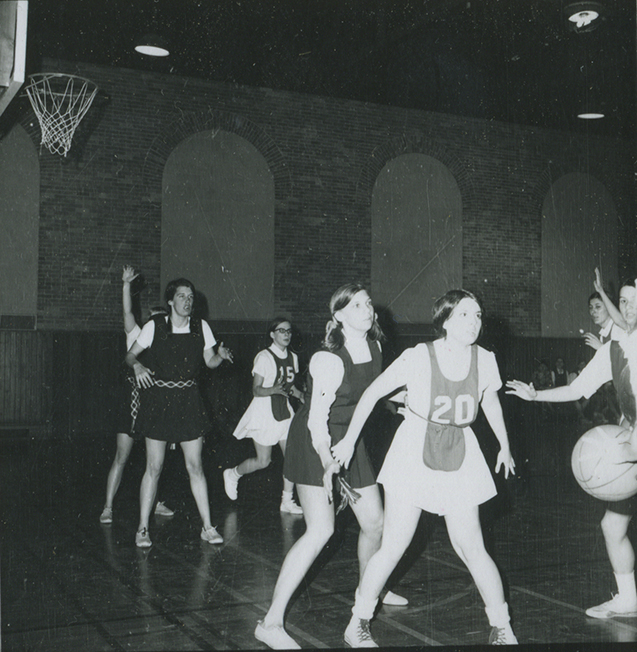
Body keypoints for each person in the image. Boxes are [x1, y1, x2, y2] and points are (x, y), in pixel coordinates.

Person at [333, 289, 517, 647]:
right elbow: (372, 393)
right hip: (415, 449)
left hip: (461, 448)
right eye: (464, 314)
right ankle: (357, 622)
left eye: (478, 315)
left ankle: (502, 626)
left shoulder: (485, 359)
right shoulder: (419, 356)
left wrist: (505, 444)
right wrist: (349, 440)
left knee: (472, 547)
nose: (474, 322)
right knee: (394, 545)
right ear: (445, 321)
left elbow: (490, 401)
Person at [254, 284, 406, 650]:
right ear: (338, 316)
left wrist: (408, 401)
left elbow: (374, 392)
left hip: (350, 441)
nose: (367, 309)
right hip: (316, 443)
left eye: (368, 303)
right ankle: (270, 623)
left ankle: (369, 591)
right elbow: (315, 420)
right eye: (356, 305)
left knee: (376, 523)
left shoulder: (375, 347)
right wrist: (328, 463)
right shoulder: (328, 359)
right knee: (321, 530)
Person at [506, 277, 637, 621]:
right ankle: (627, 599)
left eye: (635, 301)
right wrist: (536, 395)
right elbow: (578, 389)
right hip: (631, 438)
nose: (629, 308)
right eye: (624, 301)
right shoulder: (613, 348)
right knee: (612, 527)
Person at [125, 277, 233, 548]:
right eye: (182, 296)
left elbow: (209, 362)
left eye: (191, 297)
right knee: (154, 467)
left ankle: (207, 527)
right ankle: (142, 528)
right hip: (160, 401)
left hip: (188, 400)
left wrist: (220, 357)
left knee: (195, 466)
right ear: (171, 301)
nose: (188, 301)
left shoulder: (201, 327)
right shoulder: (155, 326)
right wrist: (137, 366)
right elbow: (130, 355)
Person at [100, 265, 174, 524]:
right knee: (122, 455)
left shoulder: (169, 342)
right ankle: (108, 506)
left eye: (161, 318)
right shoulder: (137, 334)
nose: (156, 322)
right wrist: (125, 286)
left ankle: (156, 502)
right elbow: (127, 312)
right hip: (133, 401)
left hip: (156, 403)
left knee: (156, 461)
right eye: (153, 317)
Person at [223, 317, 305, 515]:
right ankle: (233, 474)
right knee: (263, 461)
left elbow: (289, 387)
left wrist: (301, 395)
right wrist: (273, 390)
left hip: (284, 411)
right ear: (272, 334)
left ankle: (287, 500)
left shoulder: (293, 357)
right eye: (281, 331)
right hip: (264, 411)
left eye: (289, 331)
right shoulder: (264, 357)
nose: (286, 334)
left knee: (292, 458)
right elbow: (256, 390)